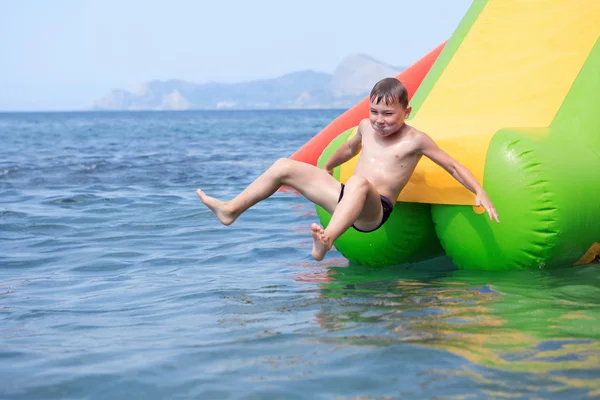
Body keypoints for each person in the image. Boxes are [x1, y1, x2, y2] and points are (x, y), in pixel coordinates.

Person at [196, 77, 499, 261]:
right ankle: (230, 210)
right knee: (283, 166)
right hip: (346, 197)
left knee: (359, 183)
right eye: (375, 111)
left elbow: (453, 166)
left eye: (389, 114)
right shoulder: (365, 127)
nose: (380, 120)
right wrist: (327, 165)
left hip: (373, 210)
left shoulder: (415, 140)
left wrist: (480, 191)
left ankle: (326, 240)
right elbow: (349, 148)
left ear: (406, 112)